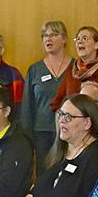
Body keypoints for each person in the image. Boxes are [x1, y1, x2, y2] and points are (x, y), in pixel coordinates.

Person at [19, 20, 72, 158]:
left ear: (64, 39)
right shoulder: (35, 69)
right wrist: (27, 137)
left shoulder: (76, 67)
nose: (48, 38)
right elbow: (27, 106)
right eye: (45, 35)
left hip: (70, 129)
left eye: (54, 34)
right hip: (41, 132)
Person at [50, 26, 98, 114]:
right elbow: (56, 102)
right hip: (73, 125)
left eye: (85, 38)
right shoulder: (71, 70)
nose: (79, 42)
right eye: (77, 39)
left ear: (97, 44)